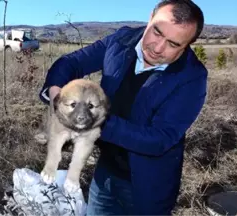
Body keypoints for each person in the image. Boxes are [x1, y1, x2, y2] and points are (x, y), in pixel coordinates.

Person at [38, 0, 207, 215]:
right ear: (150, 18)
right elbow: (72, 63)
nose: (157, 47)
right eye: (156, 32)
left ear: (187, 45)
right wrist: (56, 93)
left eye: (173, 44)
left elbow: (159, 139)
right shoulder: (122, 39)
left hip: (148, 187)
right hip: (105, 173)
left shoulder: (192, 78)